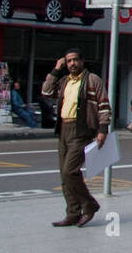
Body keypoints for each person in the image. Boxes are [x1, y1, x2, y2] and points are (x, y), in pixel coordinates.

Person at [41, 48, 111, 227]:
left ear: (82, 61)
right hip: (63, 129)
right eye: (69, 61)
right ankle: (72, 213)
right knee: (64, 175)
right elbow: (47, 92)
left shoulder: (92, 80)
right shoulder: (64, 81)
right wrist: (57, 69)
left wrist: (102, 130)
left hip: (81, 131)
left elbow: (104, 105)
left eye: (75, 60)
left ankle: (89, 205)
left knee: (69, 171)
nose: (72, 64)